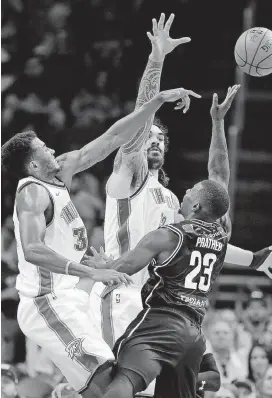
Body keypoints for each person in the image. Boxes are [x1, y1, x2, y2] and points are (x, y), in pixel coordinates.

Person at [1, 85, 198, 397]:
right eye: (43, 149)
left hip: (71, 300)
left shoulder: (59, 175)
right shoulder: (32, 191)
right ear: (33, 166)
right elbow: (33, 249)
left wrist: (155, 101)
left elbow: (115, 138)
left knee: (108, 386)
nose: (52, 150)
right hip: (46, 301)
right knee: (113, 384)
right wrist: (92, 273)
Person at [91, 178, 231, 398]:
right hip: (193, 333)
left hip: (161, 322)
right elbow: (220, 178)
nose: (186, 190)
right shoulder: (222, 239)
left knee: (122, 381)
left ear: (195, 206)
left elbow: (122, 268)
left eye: (191, 190)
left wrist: (103, 266)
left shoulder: (168, 235)